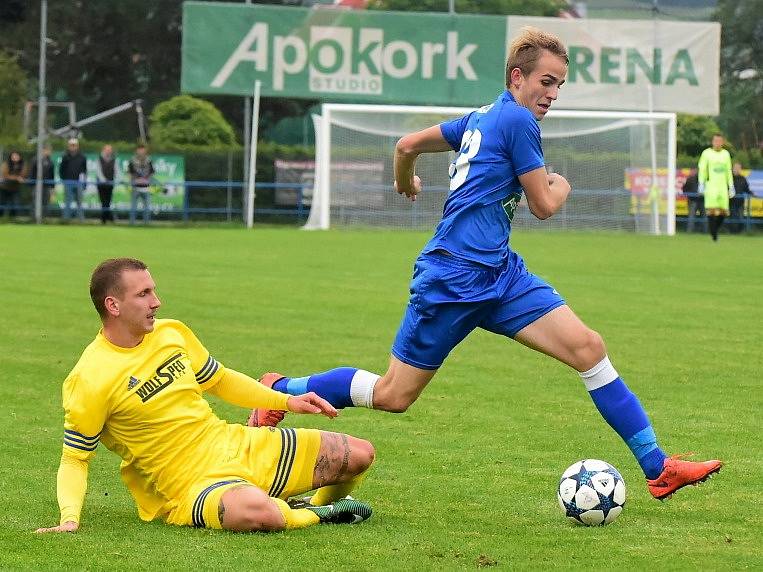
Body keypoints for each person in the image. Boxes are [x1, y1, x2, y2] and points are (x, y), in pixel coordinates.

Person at [248, 27, 722, 502]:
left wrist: (404, 180)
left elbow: (405, 145)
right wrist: (563, 183)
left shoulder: (481, 117)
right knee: (395, 395)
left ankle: (659, 468)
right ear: (518, 77)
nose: (553, 94)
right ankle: (280, 389)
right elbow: (543, 205)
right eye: (546, 81)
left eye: (559, 85)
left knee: (588, 348)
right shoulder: (517, 122)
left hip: (500, 273)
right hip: (452, 277)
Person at [36, 258, 374, 534]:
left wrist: (288, 401)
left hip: (231, 444)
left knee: (359, 455)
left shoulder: (172, 333)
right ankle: (323, 513)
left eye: (153, 290)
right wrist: (69, 518)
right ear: (113, 305)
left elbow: (220, 380)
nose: (156, 301)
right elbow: (75, 458)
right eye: (143, 294)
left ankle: (308, 505)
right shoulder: (89, 377)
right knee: (261, 513)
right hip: (188, 484)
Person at [698, 134, 733, 241]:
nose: (717, 143)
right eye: (715, 141)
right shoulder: (706, 153)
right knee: (711, 211)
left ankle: (714, 230)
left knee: (724, 212)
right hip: (711, 186)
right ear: (712, 142)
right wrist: (701, 183)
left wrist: (731, 185)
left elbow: (728, 170)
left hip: (722, 187)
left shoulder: (726, 154)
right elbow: (702, 168)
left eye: (719, 141)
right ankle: (714, 236)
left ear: (722, 142)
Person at [59, 138, 87, 222]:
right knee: (67, 202)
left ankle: (81, 220)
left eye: (74, 145)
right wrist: (64, 180)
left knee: (79, 202)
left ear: (77, 146)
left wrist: (84, 182)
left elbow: (84, 170)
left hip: (79, 182)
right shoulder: (65, 157)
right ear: (68, 146)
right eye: (71, 145)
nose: (73, 147)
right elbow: (61, 170)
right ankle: (66, 220)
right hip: (68, 182)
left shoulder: (82, 157)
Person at [128, 144, 154, 225]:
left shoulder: (149, 161)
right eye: (140, 150)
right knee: (133, 207)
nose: (141, 151)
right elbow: (129, 172)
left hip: (146, 187)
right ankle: (132, 223)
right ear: (137, 150)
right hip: (135, 187)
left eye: (143, 150)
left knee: (147, 207)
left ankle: (146, 223)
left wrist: (146, 179)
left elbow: (152, 172)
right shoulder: (132, 160)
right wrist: (135, 180)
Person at [96, 144, 119, 224]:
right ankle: (108, 218)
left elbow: (116, 171)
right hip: (101, 184)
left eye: (110, 149)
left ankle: (105, 219)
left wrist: (115, 179)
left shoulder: (114, 159)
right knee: (103, 201)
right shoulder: (99, 159)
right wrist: (103, 180)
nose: (108, 151)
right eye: (107, 149)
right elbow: (98, 171)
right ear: (103, 150)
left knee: (108, 201)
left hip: (110, 183)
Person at [0, 151, 27, 219]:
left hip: (15, 188)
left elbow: (23, 175)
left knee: (15, 204)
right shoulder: (6, 164)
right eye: (13, 156)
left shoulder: (22, 165)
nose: (15, 157)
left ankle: (13, 219)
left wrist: (20, 178)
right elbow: (5, 175)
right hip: (4, 187)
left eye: (17, 156)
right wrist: (16, 178)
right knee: (2, 203)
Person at [31, 145, 56, 215]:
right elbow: (32, 172)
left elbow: (52, 175)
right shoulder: (35, 160)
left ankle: (45, 217)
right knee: (35, 201)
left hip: (47, 185)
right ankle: (34, 217)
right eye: (46, 150)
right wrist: (32, 183)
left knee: (46, 202)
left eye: (49, 151)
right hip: (36, 185)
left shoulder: (50, 161)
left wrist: (52, 187)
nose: (48, 152)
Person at [729, 162, 751, 234]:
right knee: (733, 218)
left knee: (741, 218)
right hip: (732, 202)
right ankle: (733, 232)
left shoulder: (743, 178)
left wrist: (752, 194)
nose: (737, 170)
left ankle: (740, 232)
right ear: (732, 169)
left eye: (738, 168)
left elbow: (746, 189)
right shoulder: (729, 179)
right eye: (735, 168)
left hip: (741, 202)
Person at [681, 168, 705, 233]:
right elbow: (684, 189)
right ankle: (690, 231)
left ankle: (705, 231)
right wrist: (690, 195)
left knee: (704, 216)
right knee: (692, 216)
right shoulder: (691, 179)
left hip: (702, 200)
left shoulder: (705, 180)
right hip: (693, 200)